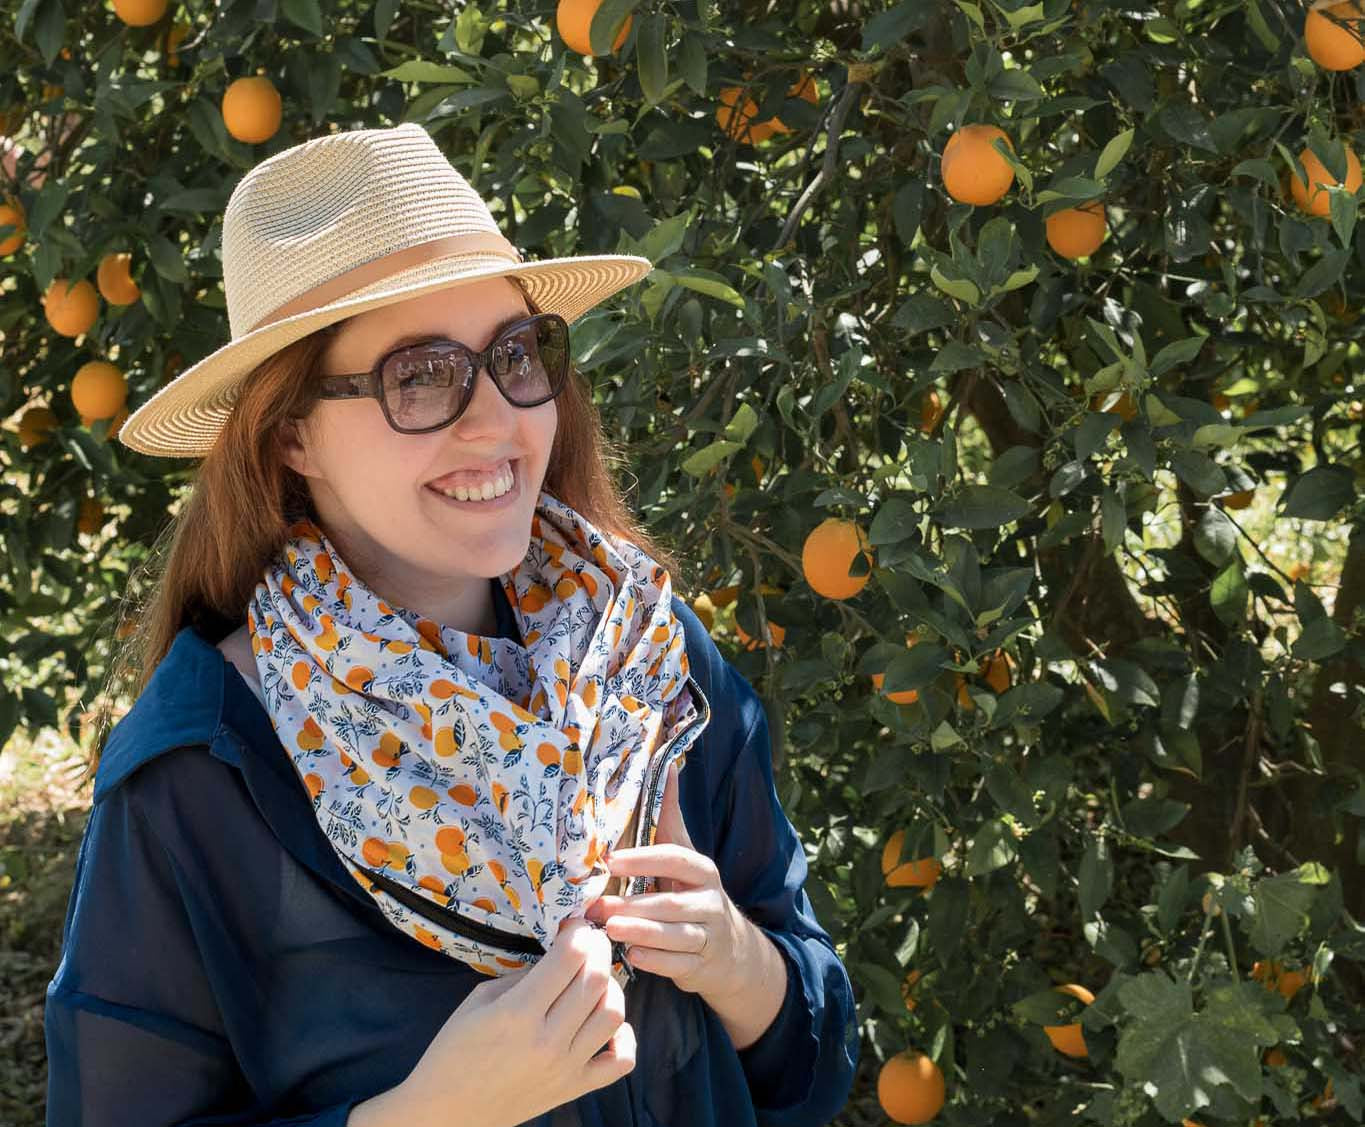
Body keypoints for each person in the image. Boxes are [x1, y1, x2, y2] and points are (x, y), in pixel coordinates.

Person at [43, 123, 858, 1127]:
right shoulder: (203, 769)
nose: (499, 420)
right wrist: (431, 1112)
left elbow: (814, 1063)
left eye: (519, 354)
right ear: (291, 431)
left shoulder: (645, 657)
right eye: (420, 375)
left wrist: (742, 964)